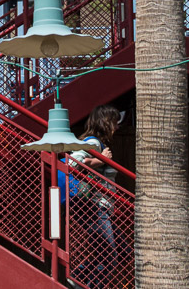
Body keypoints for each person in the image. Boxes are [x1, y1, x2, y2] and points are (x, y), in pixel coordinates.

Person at [69, 104, 122, 289]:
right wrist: (102, 160)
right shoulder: (93, 143)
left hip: (100, 206)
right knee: (110, 256)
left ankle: (79, 279)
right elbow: (72, 163)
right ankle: (76, 280)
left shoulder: (100, 144)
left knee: (115, 252)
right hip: (93, 205)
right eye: (115, 122)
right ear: (106, 123)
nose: (117, 127)